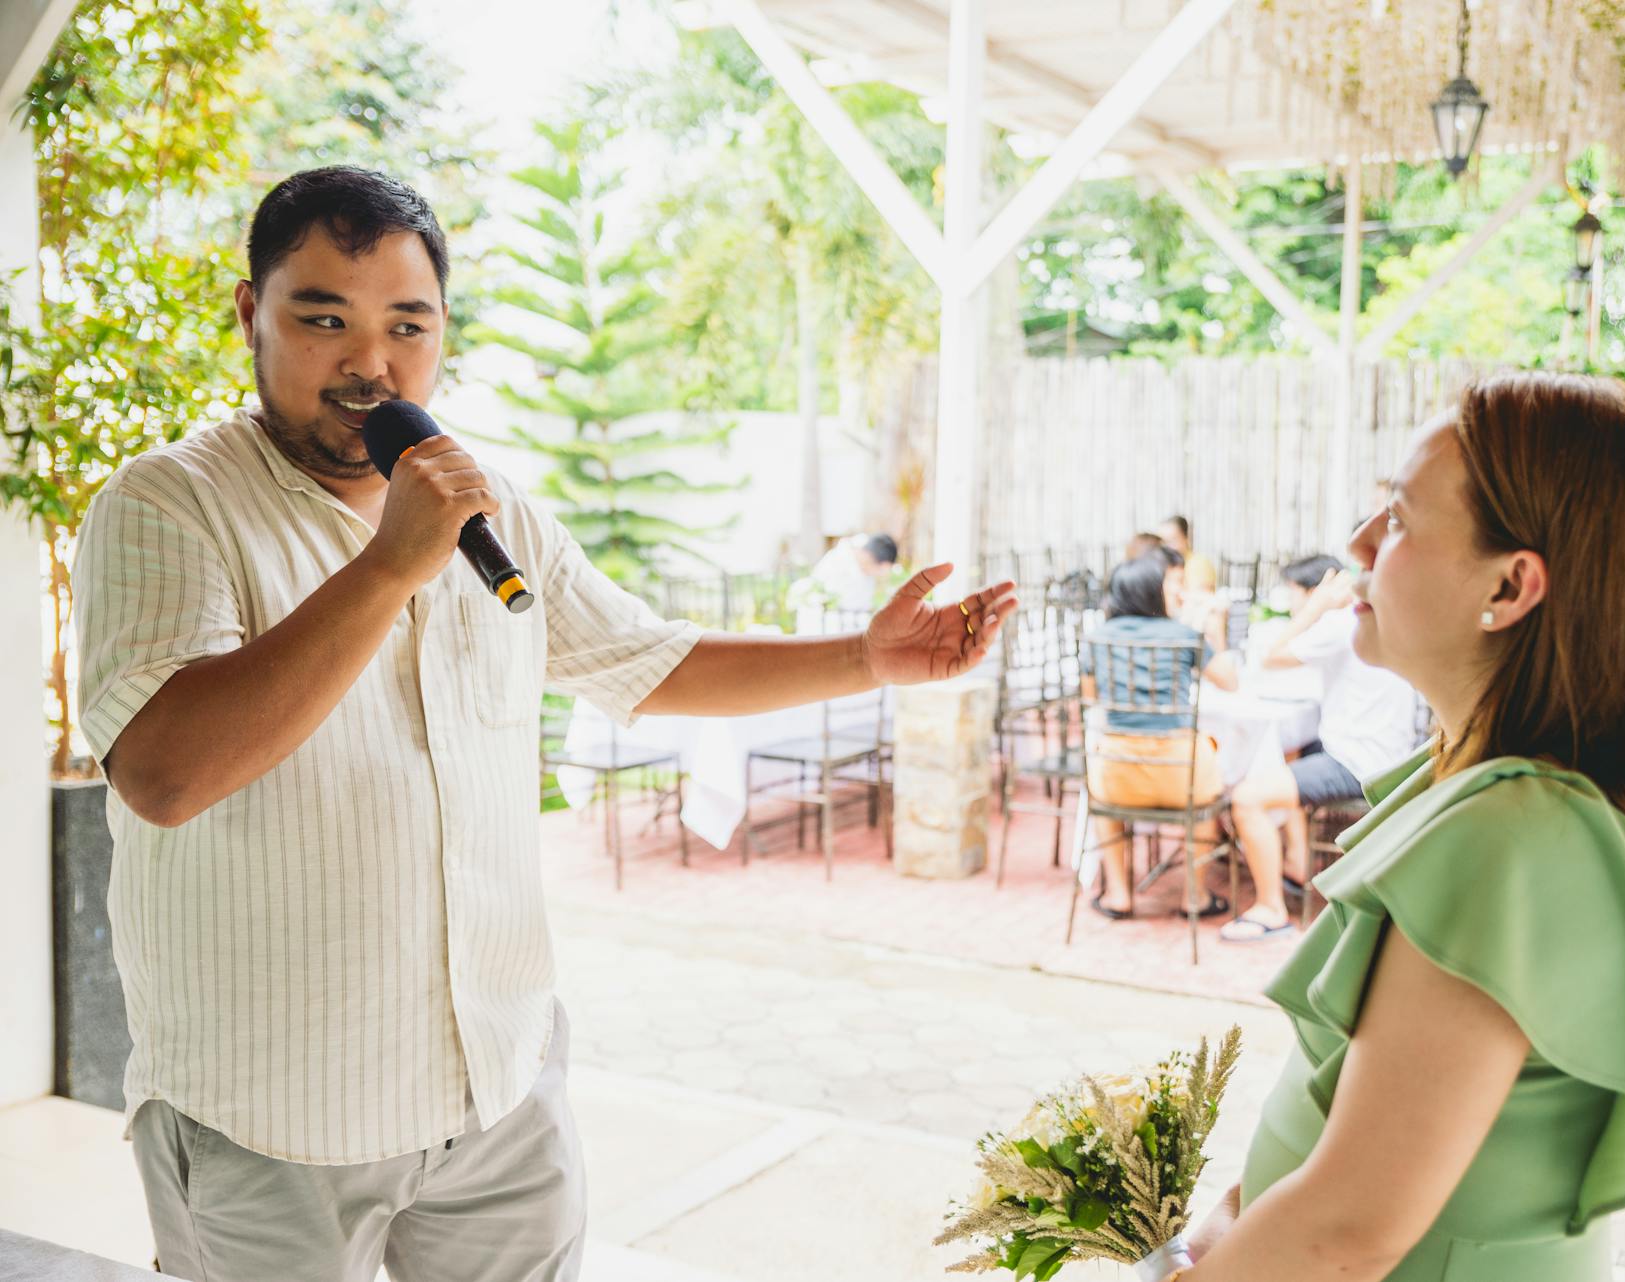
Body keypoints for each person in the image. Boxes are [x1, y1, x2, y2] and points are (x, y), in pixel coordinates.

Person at [71, 166, 1015, 1282]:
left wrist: (864, 656)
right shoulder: (164, 505)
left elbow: (647, 661)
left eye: (406, 326)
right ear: (250, 315)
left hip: (497, 1095)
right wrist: (390, 565)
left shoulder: (491, 508)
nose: (370, 363)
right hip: (273, 1117)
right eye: (323, 318)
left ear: (442, 335)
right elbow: (167, 772)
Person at [1178, 374, 1625, 1282]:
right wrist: (1208, 1237)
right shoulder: (1480, 787)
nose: (1359, 543)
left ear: (1511, 586)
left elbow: (1346, 1234)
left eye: (1398, 520)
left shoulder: (1516, 832)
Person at [1219, 555, 1421, 943]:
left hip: (1357, 763)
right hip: (1387, 754)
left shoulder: (1342, 622)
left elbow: (1271, 657)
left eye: (1294, 594)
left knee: (1246, 797)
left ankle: (1271, 910)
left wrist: (1316, 608)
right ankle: (1295, 862)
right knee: (1286, 751)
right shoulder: (1391, 615)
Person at [1079, 556, 1239, 920]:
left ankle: (1118, 895)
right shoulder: (1183, 634)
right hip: (1180, 776)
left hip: (1119, 776)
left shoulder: (1098, 637)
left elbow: (1090, 698)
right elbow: (1230, 681)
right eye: (1171, 584)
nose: (1179, 591)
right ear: (1150, 591)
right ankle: (1194, 897)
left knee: (1098, 784)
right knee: (1205, 786)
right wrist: (1214, 626)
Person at [798, 531, 898, 611]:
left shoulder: (863, 566)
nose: (878, 574)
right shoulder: (836, 564)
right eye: (879, 570)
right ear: (869, 557)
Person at [1159, 514, 1218, 597]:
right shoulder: (1167, 565)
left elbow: (1201, 599)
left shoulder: (1199, 563)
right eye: (1163, 541)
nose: (1167, 546)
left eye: (1173, 539)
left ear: (1186, 538)